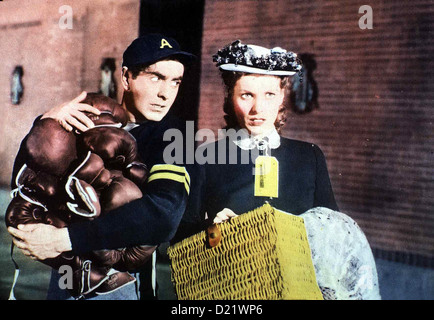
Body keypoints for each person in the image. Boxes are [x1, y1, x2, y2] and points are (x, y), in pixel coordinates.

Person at [174, 40, 380, 299]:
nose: (257, 109)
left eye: (269, 95)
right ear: (230, 96)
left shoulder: (310, 156)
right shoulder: (205, 157)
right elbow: (179, 239)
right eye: (246, 95)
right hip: (234, 291)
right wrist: (211, 229)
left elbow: (334, 237)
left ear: (282, 96)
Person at [7, 33, 195, 300]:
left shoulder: (175, 137)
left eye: (175, 82)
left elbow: (163, 216)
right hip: (63, 283)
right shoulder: (87, 119)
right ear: (126, 77)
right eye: (156, 77)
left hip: (121, 288)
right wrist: (44, 125)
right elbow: (29, 183)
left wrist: (64, 239)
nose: (166, 94)